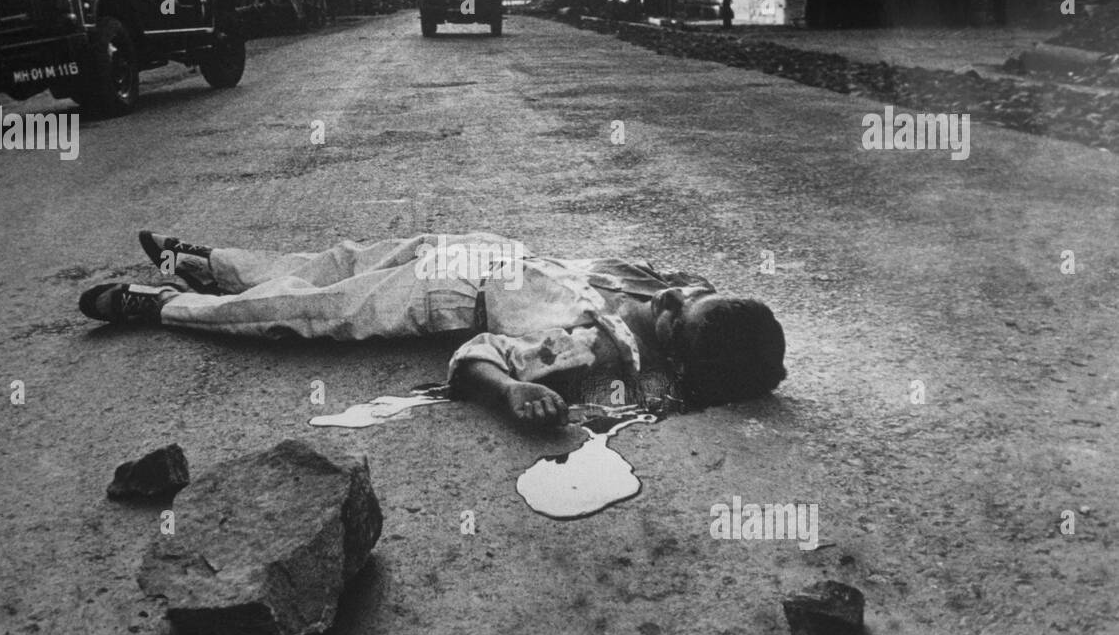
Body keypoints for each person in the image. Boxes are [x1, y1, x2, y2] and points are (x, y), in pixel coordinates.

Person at [79, 232, 787, 429]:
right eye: (689, 291)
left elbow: (475, 353)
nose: (670, 291)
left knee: (308, 309)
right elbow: (699, 303)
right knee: (328, 264)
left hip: (445, 290)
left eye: (675, 308)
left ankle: (157, 302)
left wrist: (507, 392)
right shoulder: (654, 286)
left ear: (671, 346)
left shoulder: (591, 348)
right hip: (471, 246)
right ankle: (203, 261)